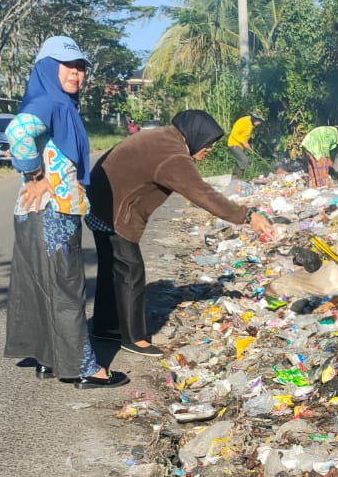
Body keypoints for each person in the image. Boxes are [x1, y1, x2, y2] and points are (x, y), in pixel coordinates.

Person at [86, 110, 276, 358]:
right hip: (113, 209)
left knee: (113, 267)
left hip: (100, 199)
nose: (209, 148)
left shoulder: (166, 137)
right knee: (130, 271)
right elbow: (202, 194)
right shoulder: (173, 155)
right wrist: (247, 216)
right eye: (208, 142)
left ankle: (105, 326)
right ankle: (133, 338)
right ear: (195, 134)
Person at [3, 36, 127, 389]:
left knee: (41, 286)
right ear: (47, 68)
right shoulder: (51, 102)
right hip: (54, 212)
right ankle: (86, 368)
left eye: (80, 67)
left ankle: (48, 358)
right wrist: (34, 174)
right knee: (66, 288)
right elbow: (18, 131)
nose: (77, 73)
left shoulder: (53, 102)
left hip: (35, 212)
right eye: (68, 65)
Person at [226, 109, 264, 179]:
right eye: (259, 120)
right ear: (254, 118)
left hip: (240, 146)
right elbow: (234, 133)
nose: (260, 123)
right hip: (233, 143)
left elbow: (244, 136)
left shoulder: (251, 124)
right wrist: (243, 142)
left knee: (240, 162)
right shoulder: (244, 121)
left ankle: (235, 180)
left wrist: (246, 144)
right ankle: (239, 179)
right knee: (244, 160)